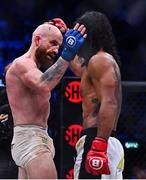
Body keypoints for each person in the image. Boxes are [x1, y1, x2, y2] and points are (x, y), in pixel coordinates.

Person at [6, 18, 87, 179]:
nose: (56, 50)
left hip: (35, 137)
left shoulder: (33, 69)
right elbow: (44, 85)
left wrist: (68, 48)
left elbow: (77, 70)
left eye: (59, 45)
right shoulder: (22, 64)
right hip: (31, 140)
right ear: (37, 40)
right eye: (52, 43)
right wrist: (66, 55)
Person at [70, 11, 124, 179]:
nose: (78, 40)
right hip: (106, 140)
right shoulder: (99, 62)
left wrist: (98, 145)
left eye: (80, 35)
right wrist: (66, 42)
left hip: (97, 139)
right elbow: (78, 70)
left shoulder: (100, 61)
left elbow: (110, 103)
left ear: (89, 35)